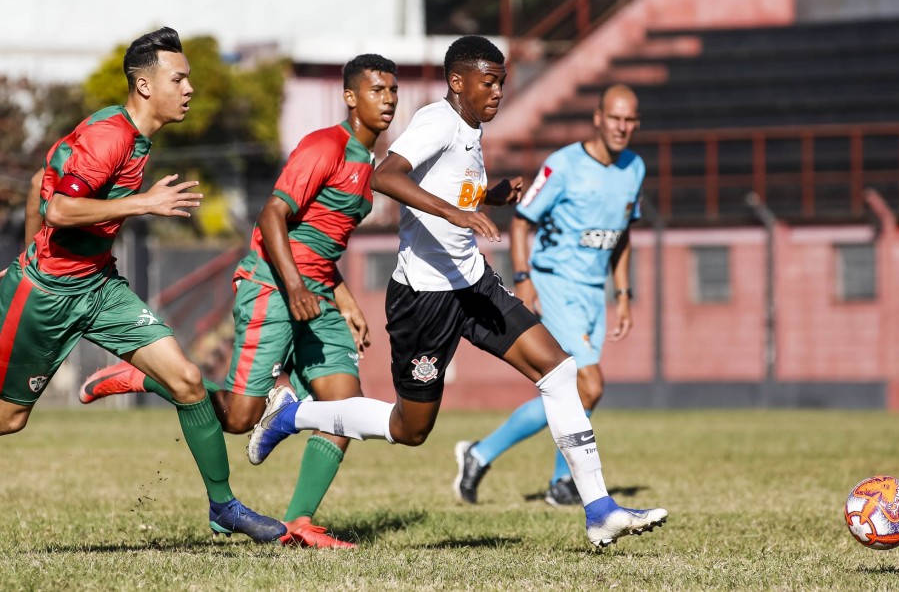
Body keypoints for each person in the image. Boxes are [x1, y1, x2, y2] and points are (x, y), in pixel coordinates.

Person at [247, 36, 668, 548]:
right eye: (488, 82)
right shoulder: (436, 121)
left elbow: (450, 189)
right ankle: (293, 414)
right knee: (410, 428)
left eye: (501, 83)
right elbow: (386, 176)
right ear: (456, 82)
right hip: (424, 299)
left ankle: (599, 509)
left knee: (558, 370)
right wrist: (458, 213)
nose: (497, 92)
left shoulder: (470, 128)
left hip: (472, 284)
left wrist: (489, 196)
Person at [78, 54, 400, 549]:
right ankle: (144, 376)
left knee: (344, 407)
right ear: (351, 97)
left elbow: (319, 241)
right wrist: (294, 286)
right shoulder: (324, 146)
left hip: (316, 296)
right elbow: (273, 216)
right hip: (273, 288)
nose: (389, 100)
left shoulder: (370, 163)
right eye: (377, 90)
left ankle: (301, 522)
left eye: (393, 91)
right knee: (237, 419)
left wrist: (345, 299)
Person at [0, 27, 286, 542]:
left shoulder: (137, 137)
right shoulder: (110, 135)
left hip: (99, 287)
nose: (189, 88)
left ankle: (224, 507)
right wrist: (141, 203)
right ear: (145, 85)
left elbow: (45, 182)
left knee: (188, 381)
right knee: (9, 418)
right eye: (179, 78)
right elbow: (56, 207)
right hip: (46, 295)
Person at [454, 84, 645, 507]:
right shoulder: (563, 165)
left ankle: (484, 455)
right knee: (589, 385)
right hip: (555, 282)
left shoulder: (634, 168)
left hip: (593, 292)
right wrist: (524, 279)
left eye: (630, 120)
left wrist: (625, 294)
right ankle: (559, 480)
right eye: (615, 118)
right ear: (598, 118)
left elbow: (623, 233)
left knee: (574, 389)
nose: (622, 127)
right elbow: (522, 220)